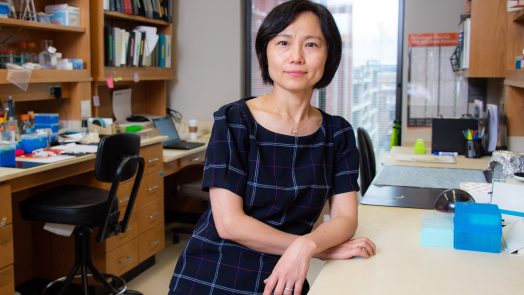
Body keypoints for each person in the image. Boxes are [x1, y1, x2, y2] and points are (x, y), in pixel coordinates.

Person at [168, 1, 376, 294]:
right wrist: (311, 248)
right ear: (266, 52)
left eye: (312, 44)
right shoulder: (234, 120)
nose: (296, 57)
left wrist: (308, 245)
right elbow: (229, 224)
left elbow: (345, 217)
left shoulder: (337, 133)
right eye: (283, 42)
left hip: (286, 274)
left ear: (329, 56)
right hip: (216, 271)